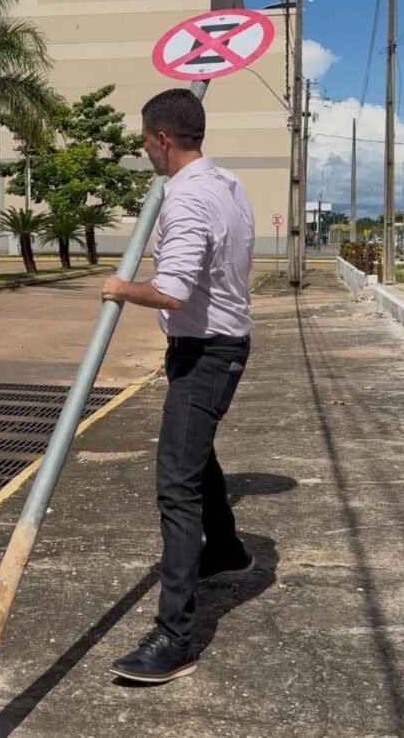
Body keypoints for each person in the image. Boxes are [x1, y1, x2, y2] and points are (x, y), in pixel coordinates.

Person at [102, 88, 255, 684]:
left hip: (206, 353)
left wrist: (120, 288)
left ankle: (176, 637)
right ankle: (228, 552)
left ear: (162, 138)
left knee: (175, 484)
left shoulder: (187, 200)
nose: (145, 153)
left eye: (144, 142)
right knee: (197, 456)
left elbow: (172, 291)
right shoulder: (228, 184)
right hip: (221, 344)